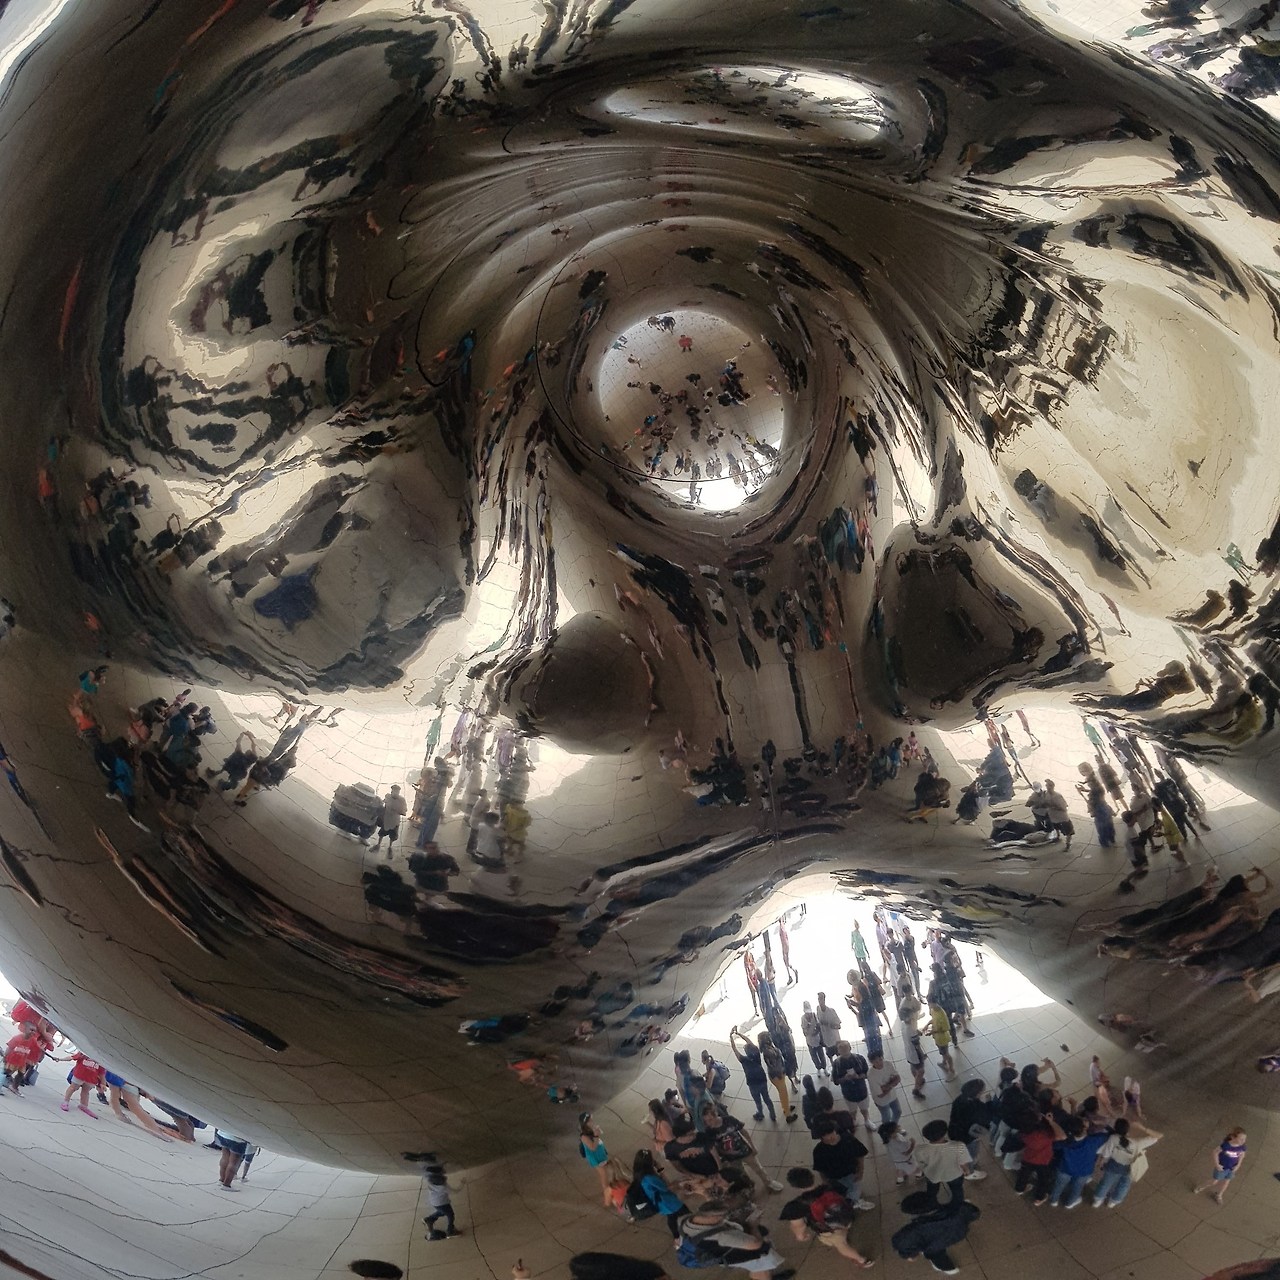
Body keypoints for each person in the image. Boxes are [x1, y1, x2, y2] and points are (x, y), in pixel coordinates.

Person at [779, 1167, 875, 1270]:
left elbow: (799, 1226)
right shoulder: (832, 1185)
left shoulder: (797, 1206)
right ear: (812, 1176)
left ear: (794, 1186)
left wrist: (800, 1236)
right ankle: (845, 1234)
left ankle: (862, 1260)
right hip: (846, 1218)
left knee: (841, 1245)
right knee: (843, 1231)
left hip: (829, 1230)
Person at [678, 1200, 789, 1276]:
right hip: (737, 1255)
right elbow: (756, 1244)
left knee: (759, 1269)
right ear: (713, 1217)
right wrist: (753, 1226)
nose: (725, 1217)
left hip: (717, 1252)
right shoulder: (723, 1236)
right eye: (723, 1215)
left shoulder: (684, 1219)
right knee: (760, 1269)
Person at [700, 1099, 784, 1193]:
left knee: (758, 1168)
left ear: (715, 1115)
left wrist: (752, 1146)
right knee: (740, 1175)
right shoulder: (709, 1131)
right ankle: (748, 1187)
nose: (709, 1123)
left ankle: (769, 1182)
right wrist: (719, 1164)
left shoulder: (729, 1120)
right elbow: (713, 1148)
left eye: (710, 1120)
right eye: (706, 1121)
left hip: (743, 1150)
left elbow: (743, 1131)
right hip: (730, 1158)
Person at [1093, 1119, 1161, 1208]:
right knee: (1124, 1185)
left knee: (1105, 1183)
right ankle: (1113, 1201)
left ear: (1116, 1128)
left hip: (1113, 1165)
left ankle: (1097, 1200)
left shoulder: (1113, 1138)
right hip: (1129, 1168)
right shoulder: (1137, 1142)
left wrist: (1101, 1162)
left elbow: (1106, 1153)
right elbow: (1158, 1136)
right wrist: (1142, 1128)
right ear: (1128, 1130)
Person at [1047, 1116, 1110, 1208]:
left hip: (1065, 1169)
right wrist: (1103, 1124)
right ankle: (1069, 1203)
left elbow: (1053, 1145)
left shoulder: (1065, 1142)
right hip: (1084, 1171)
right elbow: (1110, 1134)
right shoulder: (1094, 1140)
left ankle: (1054, 1200)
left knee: (1058, 1185)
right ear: (1084, 1129)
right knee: (1077, 1188)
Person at [917, 1119, 983, 1207]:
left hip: (932, 1174)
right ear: (944, 1133)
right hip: (954, 1174)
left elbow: (920, 1163)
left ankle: (931, 1202)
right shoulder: (958, 1146)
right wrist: (966, 1170)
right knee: (957, 1190)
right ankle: (957, 1204)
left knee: (932, 1189)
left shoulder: (920, 1149)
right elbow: (963, 1163)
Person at [812, 1119, 874, 1209]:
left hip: (850, 1172)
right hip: (833, 1177)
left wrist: (860, 1171)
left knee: (854, 1189)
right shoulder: (818, 1150)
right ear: (821, 1137)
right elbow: (820, 1168)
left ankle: (852, 1203)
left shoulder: (848, 1139)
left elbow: (860, 1155)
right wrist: (825, 1181)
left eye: (831, 1133)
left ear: (835, 1130)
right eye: (825, 1135)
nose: (829, 1137)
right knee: (838, 1195)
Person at [1015, 1111, 1065, 1203]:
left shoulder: (1024, 1133)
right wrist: (1051, 1122)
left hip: (1028, 1158)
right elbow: (1062, 1136)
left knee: (1023, 1175)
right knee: (1043, 1180)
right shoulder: (1046, 1134)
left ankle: (1019, 1189)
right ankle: (1039, 1198)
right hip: (1043, 1161)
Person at [729, 1028, 774, 1121]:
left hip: (752, 1083)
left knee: (757, 1100)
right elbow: (748, 1041)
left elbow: (734, 1049)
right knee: (767, 1098)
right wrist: (739, 1034)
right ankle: (772, 1114)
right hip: (762, 1079)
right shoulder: (756, 1052)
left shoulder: (743, 1060)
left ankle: (760, 1114)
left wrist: (731, 1037)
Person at [1194, 1128, 1247, 1204]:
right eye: (1241, 1139)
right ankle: (1201, 1187)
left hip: (1232, 1168)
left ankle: (1219, 1195)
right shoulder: (1226, 1145)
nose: (1243, 1141)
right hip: (1222, 1167)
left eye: (1244, 1139)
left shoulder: (1242, 1147)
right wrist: (1217, 1165)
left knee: (1226, 1182)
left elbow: (1242, 1155)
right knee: (1214, 1181)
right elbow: (1215, 1152)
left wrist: (1238, 1165)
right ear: (1233, 1137)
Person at [948, 1080, 991, 1168]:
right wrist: (989, 1103)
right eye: (982, 1090)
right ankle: (970, 1168)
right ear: (977, 1093)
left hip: (954, 1130)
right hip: (968, 1136)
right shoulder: (978, 1106)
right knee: (971, 1153)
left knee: (961, 1149)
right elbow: (986, 1119)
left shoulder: (959, 1099)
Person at [830, 1040, 872, 1130]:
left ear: (850, 1048)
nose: (844, 1050)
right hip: (848, 1093)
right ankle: (853, 1120)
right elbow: (836, 1080)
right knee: (852, 1110)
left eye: (845, 1047)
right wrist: (844, 1078)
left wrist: (858, 1076)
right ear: (838, 1051)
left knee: (864, 1108)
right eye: (841, 1048)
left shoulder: (859, 1059)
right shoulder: (836, 1064)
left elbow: (867, 1074)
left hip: (861, 1090)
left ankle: (867, 1120)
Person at [757, 1030, 796, 1122]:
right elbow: (774, 1065)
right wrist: (781, 1073)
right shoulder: (768, 1051)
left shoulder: (767, 1048)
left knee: (782, 1093)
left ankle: (786, 1107)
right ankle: (788, 1115)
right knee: (784, 1094)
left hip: (775, 1075)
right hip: (777, 1076)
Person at [579, 1113, 612, 1207]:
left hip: (601, 1155)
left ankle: (608, 1192)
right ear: (585, 1123)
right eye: (590, 1120)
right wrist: (596, 1135)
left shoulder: (591, 1130)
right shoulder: (583, 1136)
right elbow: (592, 1147)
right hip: (595, 1158)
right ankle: (607, 1201)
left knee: (606, 1174)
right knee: (604, 1176)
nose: (592, 1122)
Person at [61, 1049, 106, 1116]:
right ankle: (65, 1102)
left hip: (91, 1078)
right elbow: (72, 1057)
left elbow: (102, 1073)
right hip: (79, 1075)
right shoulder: (83, 1053)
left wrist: (103, 1083)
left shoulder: (101, 1059)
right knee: (73, 1088)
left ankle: (83, 1105)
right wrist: (60, 1059)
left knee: (86, 1091)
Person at [878, 1119, 921, 1184]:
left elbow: (900, 1134)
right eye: (896, 1127)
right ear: (892, 1133)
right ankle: (919, 1174)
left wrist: (901, 1133)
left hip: (897, 1160)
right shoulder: (900, 1143)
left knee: (900, 1169)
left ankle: (900, 1179)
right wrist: (913, 1144)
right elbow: (906, 1153)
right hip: (906, 1160)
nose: (899, 1126)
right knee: (914, 1167)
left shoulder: (887, 1139)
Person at [867, 1051, 902, 1126]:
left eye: (880, 1060)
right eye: (876, 1062)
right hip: (881, 1101)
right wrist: (892, 1083)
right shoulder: (871, 1075)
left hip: (893, 1096)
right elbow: (880, 1095)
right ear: (871, 1062)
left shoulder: (888, 1064)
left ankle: (893, 1127)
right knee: (886, 1117)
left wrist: (887, 1086)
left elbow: (898, 1078)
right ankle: (887, 1130)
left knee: (898, 1112)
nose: (879, 1063)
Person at [423, 1166, 459, 1238]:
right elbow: (455, 1192)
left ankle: (429, 1219)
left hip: (434, 1202)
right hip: (443, 1203)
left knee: (442, 1212)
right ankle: (450, 1230)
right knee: (450, 1215)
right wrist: (462, 1184)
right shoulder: (443, 1187)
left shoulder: (431, 1183)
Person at [372, 784, 408, 855]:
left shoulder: (402, 800)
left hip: (395, 820)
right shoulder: (388, 796)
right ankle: (378, 844)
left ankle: (390, 847)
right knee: (382, 832)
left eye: (396, 791)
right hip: (386, 819)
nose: (394, 793)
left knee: (393, 835)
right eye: (393, 791)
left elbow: (404, 811)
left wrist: (397, 811)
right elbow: (383, 803)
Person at [925, 1002, 956, 1078]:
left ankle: (952, 1071)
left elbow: (945, 1028)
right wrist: (927, 1024)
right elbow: (933, 1019)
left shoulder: (942, 1014)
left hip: (943, 1038)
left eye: (930, 1004)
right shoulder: (933, 1010)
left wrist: (932, 1032)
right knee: (943, 1052)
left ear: (935, 1003)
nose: (929, 1005)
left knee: (946, 1054)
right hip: (937, 1038)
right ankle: (944, 1062)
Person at [816, 991, 842, 1062]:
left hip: (835, 1040)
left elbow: (838, 1026)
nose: (820, 1001)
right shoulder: (818, 1009)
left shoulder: (831, 1011)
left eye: (821, 999)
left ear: (824, 999)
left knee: (839, 1057)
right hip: (826, 1040)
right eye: (818, 999)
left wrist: (828, 1024)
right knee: (830, 1057)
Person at [800, 1001, 826, 1074]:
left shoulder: (814, 1015)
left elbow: (819, 1026)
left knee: (821, 1055)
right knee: (814, 1057)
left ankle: (824, 1068)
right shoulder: (803, 1018)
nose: (808, 1014)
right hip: (809, 1041)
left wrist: (816, 1032)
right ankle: (818, 1068)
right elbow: (804, 1030)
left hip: (817, 1040)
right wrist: (807, 1031)